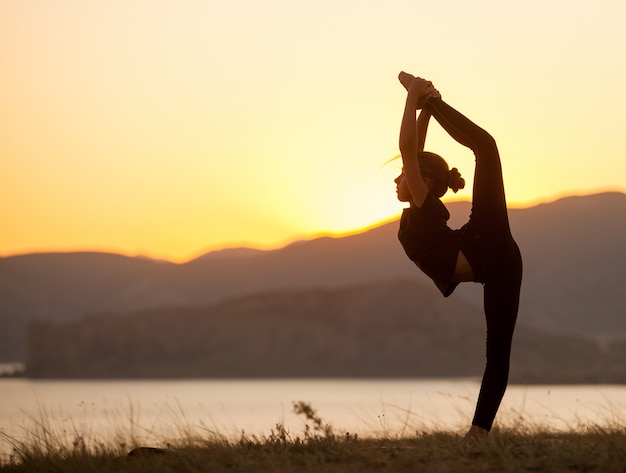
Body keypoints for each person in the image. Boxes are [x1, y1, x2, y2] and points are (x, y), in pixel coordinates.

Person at [395, 72, 523, 438]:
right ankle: (478, 437)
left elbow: (408, 153)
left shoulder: (424, 206)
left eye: (404, 176)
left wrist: (415, 99)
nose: (396, 179)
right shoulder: (422, 205)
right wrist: (423, 110)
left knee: (486, 147)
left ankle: (478, 434)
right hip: (496, 261)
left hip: (489, 242)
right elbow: (412, 155)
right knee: (496, 356)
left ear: (424, 182)